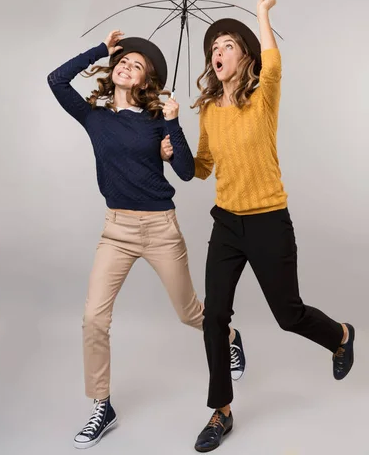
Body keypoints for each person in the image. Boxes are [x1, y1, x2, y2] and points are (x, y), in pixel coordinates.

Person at [47, 31, 245, 449]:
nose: (126, 66)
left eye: (136, 65)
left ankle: (229, 338)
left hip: (159, 229)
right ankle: (102, 404)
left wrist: (173, 125)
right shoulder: (94, 117)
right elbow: (56, 80)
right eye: (123, 61)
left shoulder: (157, 121)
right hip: (116, 230)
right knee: (93, 319)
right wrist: (101, 49)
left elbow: (189, 173)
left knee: (191, 313)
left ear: (144, 81)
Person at [190, 0, 355, 453]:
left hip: (267, 220)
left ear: (245, 57)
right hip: (226, 224)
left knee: (288, 315)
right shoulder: (206, 110)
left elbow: (275, 64)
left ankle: (341, 335)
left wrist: (261, 14)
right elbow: (201, 167)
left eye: (228, 45)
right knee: (214, 316)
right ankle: (220, 411)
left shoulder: (262, 97)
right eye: (214, 47)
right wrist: (168, 143)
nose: (218, 52)